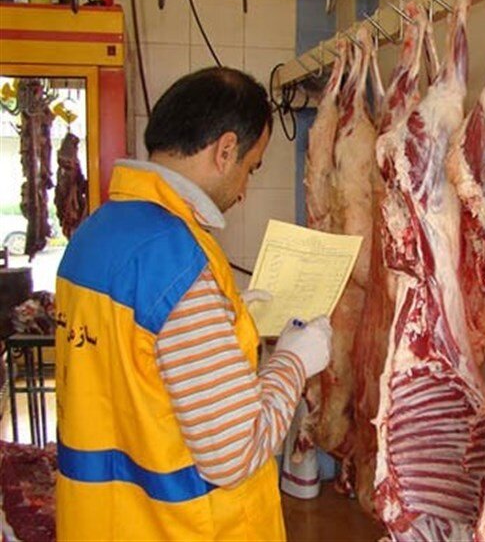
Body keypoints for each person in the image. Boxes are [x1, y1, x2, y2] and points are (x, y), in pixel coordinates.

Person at [54, 67, 332, 541]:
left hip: (102, 522)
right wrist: (293, 361)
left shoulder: (96, 233)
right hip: (181, 528)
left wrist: (222, 315)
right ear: (225, 150)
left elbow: (135, 370)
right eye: (251, 167)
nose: (244, 189)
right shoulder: (176, 260)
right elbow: (236, 453)